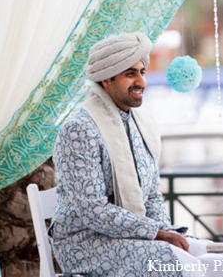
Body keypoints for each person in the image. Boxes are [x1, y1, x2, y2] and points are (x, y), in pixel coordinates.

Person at [49, 32, 209, 276]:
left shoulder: (142, 126)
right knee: (172, 260)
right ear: (106, 80)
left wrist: (168, 232)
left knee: (203, 252)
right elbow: (94, 211)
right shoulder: (79, 129)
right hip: (86, 244)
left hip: (131, 238)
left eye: (142, 72)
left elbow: (152, 196)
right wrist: (157, 234)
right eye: (130, 73)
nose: (141, 82)